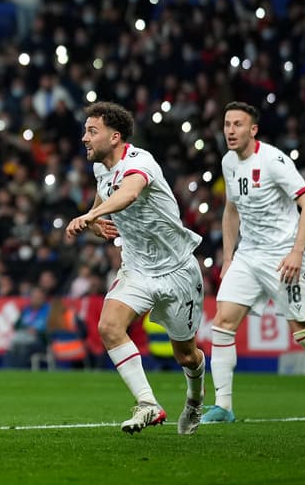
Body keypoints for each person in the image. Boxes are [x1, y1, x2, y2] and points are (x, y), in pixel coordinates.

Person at [202, 102, 305, 426]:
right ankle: (223, 406)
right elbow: (231, 211)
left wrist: (297, 251)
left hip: (283, 256)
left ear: (253, 129)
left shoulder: (273, 161)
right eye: (227, 124)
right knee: (222, 322)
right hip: (248, 255)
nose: (230, 130)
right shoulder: (229, 162)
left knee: (302, 332)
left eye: (238, 124)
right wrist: (229, 258)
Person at [64, 102, 207, 436]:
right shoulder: (101, 167)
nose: (84, 137)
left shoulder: (140, 162)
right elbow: (105, 191)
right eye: (85, 130)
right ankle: (148, 404)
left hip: (178, 271)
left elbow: (128, 194)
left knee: (186, 356)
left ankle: (196, 400)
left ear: (115, 137)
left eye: (92, 131)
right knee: (109, 327)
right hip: (138, 269)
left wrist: (89, 217)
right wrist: (95, 215)